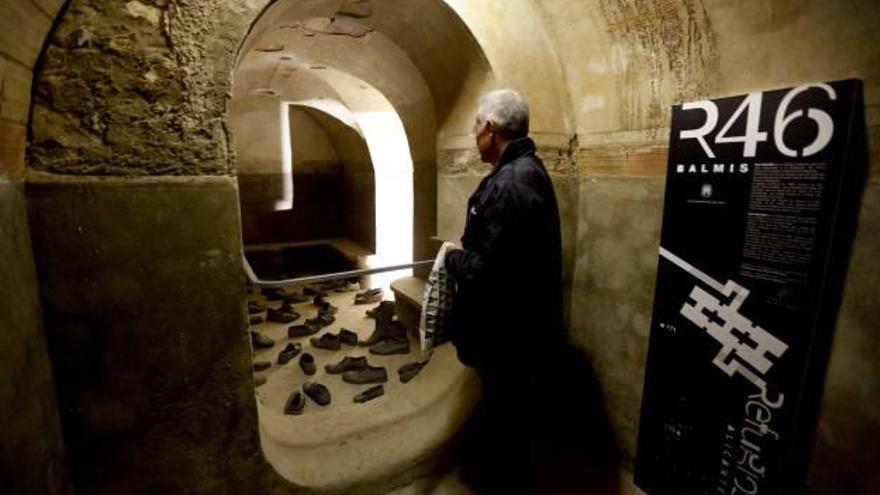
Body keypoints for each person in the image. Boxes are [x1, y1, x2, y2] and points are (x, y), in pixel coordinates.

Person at [445, 89, 564, 494]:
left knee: (503, 408)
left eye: (476, 127)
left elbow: (490, 273)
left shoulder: (510, 184)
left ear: (490, 129)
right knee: (508, 406)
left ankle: (497, 479)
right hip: (522, 324)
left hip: (505, 330)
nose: (474, 135)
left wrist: (451, 256)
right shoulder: (527, 169)